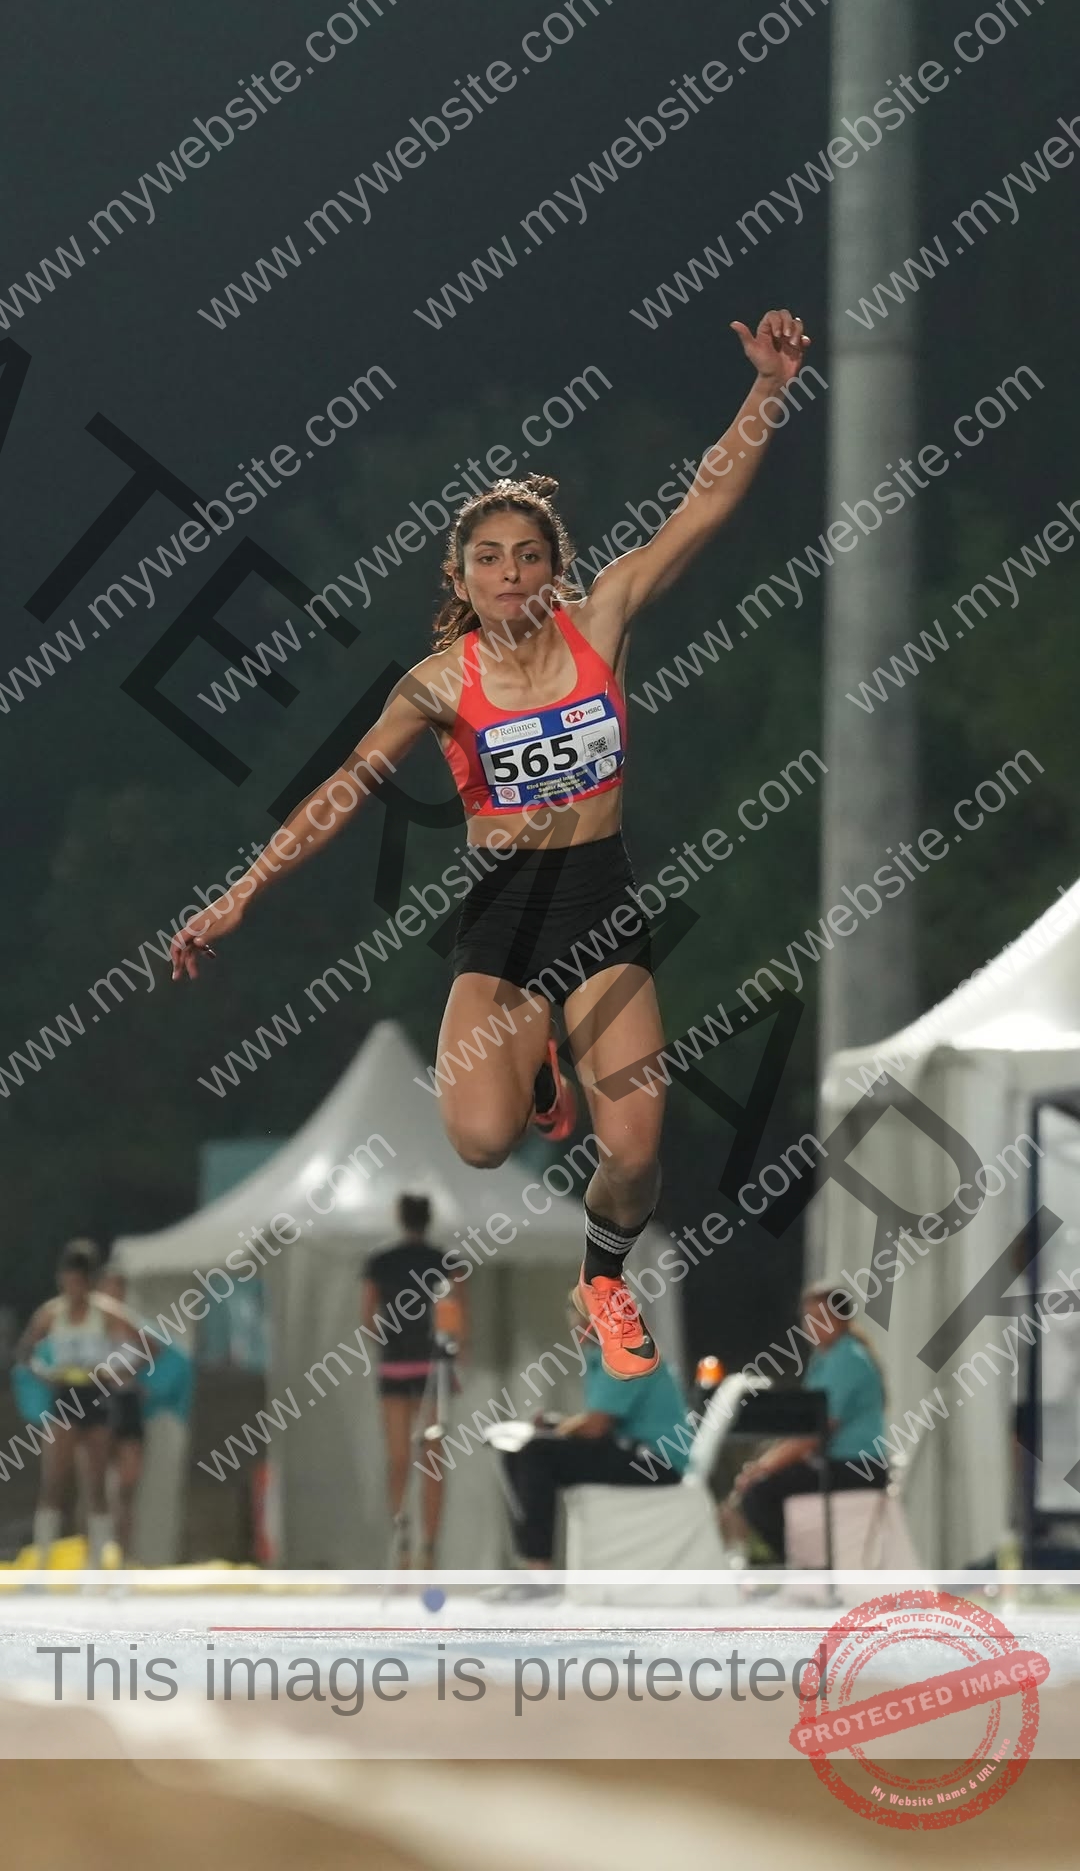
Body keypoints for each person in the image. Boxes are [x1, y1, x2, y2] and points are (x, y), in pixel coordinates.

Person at [171, 310, 811, 1381]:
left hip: (600, 902)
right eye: (488, 559)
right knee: (478, 1140)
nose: (510, 573)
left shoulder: (602, 621)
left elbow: (704, 502)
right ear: (460, 580)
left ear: (555, 571)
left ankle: (602, 1277)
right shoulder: (438, 684)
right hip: (506, 917)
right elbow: (342, 790)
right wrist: (243, 892)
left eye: (527, 556)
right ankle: (536, 1061)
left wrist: (768, 389)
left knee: (636, 1154)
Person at [502, 1297, 688, 1569]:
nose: (577, 1323)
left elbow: (595, 1427)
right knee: (519, 1452)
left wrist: (558, 1429)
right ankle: (530, 1562)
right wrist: (557, 1426)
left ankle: (539, 1570)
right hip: (631, 1449)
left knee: (535, 1453)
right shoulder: (602, 1356)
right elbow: (599, 1421)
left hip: (657, 1462)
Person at [736, 1283, 888, 1565]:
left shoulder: (848, 1359)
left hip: (858, 1467)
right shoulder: (824, 1359)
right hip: (836, 1463)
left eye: (821, 1317)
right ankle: (805, 1563)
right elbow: (802, 1425)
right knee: (763, 1486)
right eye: (808, 1318)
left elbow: (815, 1432)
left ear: (841, 1319)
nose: (812, 1326)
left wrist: (763, 1467)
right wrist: (766, 1461)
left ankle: (807, 1565)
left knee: (760, 1495)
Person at [15, 1240, 143, 1568]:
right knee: (54, 1481)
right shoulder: (51, 1313)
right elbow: (25, 1350)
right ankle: (42, 1563)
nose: (74, 1290)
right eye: (69, 1282)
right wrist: (43, 1372)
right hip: (64, 1394)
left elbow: (145, 1346)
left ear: (89, 1282)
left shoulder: (105, 1312)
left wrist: (114, 1370)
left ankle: (97, 1564)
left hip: (96, 1393)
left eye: (80, 1283)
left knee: (96, 1483)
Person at [361, 1192, 468, 1567]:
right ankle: (429, 1546)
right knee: (432, 1460)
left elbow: (367, 1318)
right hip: (432, 1368)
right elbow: (457, 1317)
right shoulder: (445, 1261)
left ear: (399, 1217)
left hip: (394, 1366)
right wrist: (455, 1358)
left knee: (398, 1458)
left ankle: (402, 1539)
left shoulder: (379, 1262)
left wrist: (390, 1341)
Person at [101, 1271, 145, 1562]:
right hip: (97, 1403)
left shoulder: (131, 1324)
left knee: (127, 1487)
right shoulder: (93, 1325)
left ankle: (124, 1557)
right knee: (98, 1485)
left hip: (127, 1402)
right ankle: (97, 1553)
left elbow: (150, 1352)